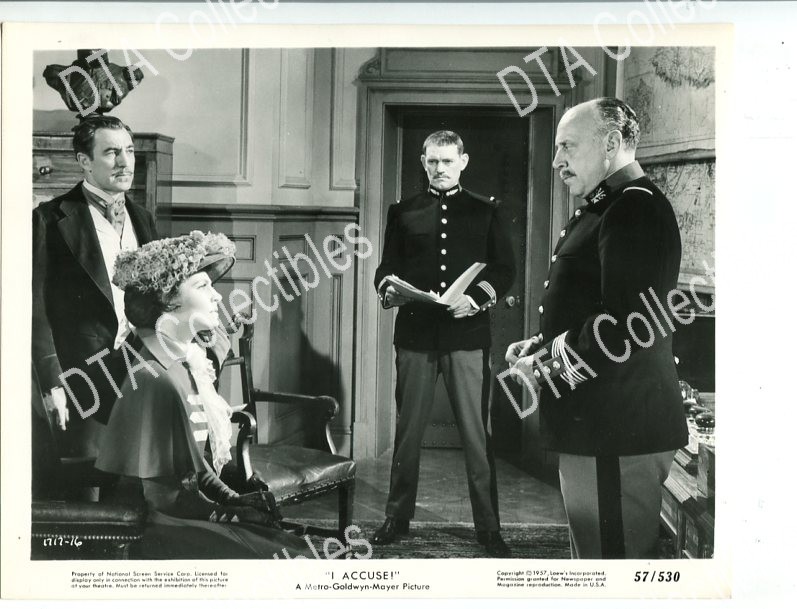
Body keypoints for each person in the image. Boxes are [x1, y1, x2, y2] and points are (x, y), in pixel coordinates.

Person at [505, 98, 688, 559]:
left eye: (567, 146)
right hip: (603, 426)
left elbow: (628, 325)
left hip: (616, 431)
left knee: (611, 572)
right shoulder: (607, 207)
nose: (556, 160)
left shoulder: (633, 208)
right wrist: (539, 345)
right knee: (595, 565)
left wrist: (543, 366)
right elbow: (594, 307)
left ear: (610, 144)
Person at [95, 231, 314, 559]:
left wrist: (235, 500)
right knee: (284, 557)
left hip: (182, 515)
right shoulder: (155, 379)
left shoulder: (184, 365)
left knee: (290, 550)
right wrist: (229, 514)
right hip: (156, 530)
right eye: (202, 286)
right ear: (167, 301)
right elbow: (162, 499)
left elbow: (195, 470)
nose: (216, 296)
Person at [373, 130, 515, 557]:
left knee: (476, 434)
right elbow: (386, 267)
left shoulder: (485, 211)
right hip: (415, 335)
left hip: (467, 336)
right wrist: (388, 290)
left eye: (447, 161)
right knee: (408, 432)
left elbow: (504, 269)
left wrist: (477, 298)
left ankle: (488, 527)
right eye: (432, 161)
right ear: (423, 162)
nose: (439, 169)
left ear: (463, 162)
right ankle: (397, 517)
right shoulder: (402, 212)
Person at [32, 115, 158, 456]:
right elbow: (35, 312)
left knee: (144, 469)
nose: (125, 163)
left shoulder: (143, 218)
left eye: (129, 151)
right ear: (84, 161)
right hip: (82, 381)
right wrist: (52, 384)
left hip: (141, 372)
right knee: (89, 477)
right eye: (111, 153)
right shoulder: (49, 219)